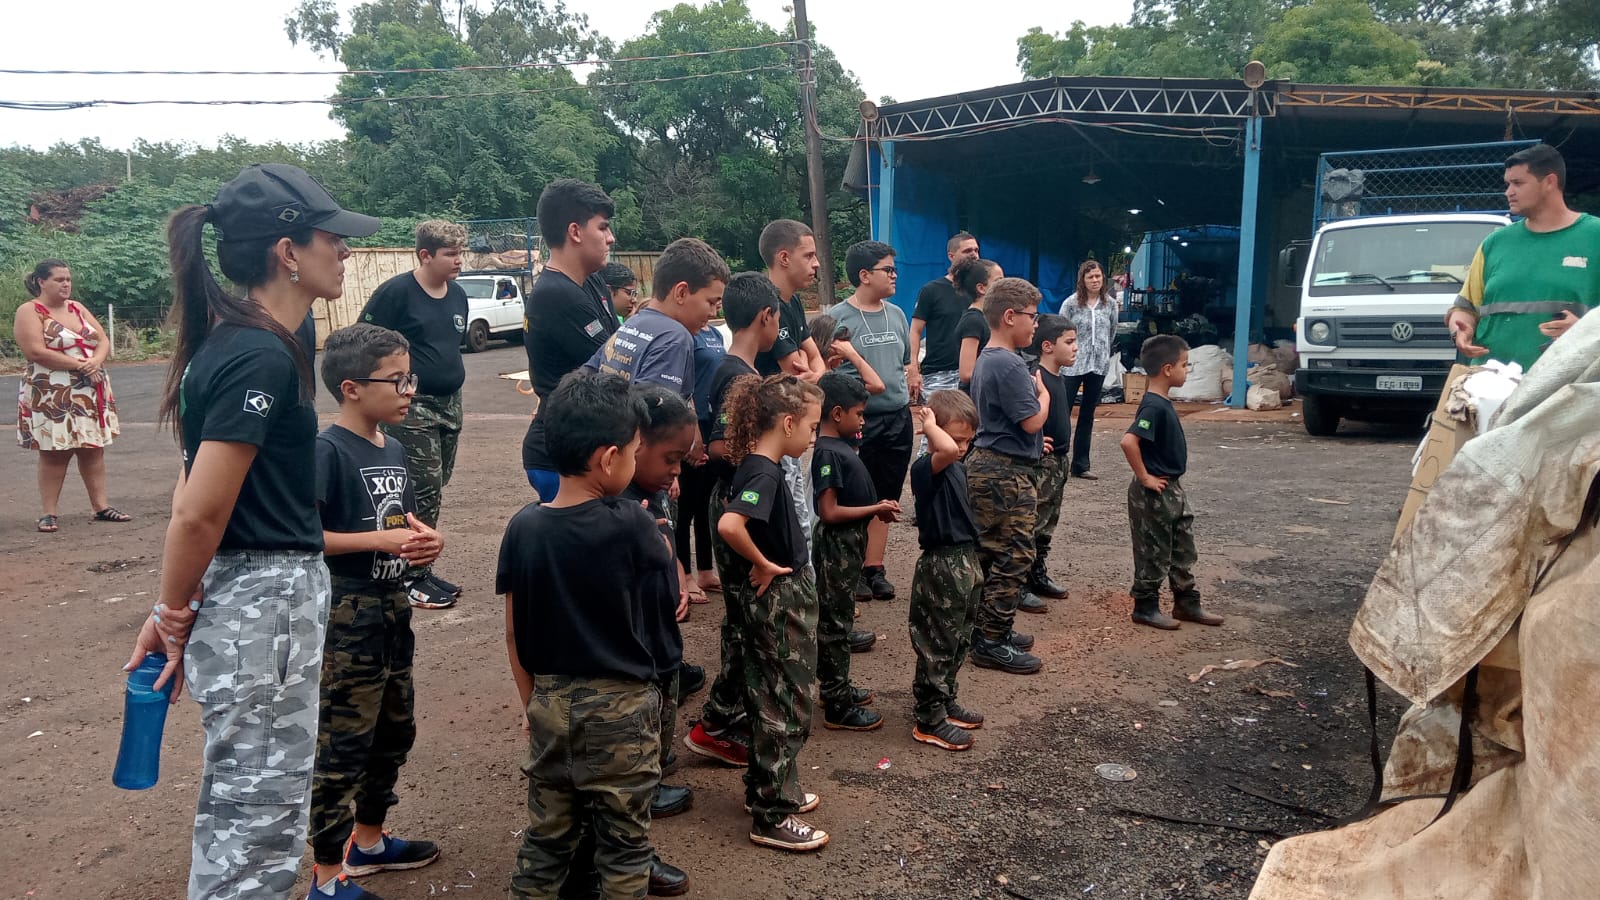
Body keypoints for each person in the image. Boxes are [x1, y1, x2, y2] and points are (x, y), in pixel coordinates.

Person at [122, 163, 379, 900]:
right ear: (286, 251)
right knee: (258, 817)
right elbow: (197, 509)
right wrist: (170, 612)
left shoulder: (237, 342)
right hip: (265, 601)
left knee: (246, 802)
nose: (346, 251)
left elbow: (199, 491)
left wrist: (167, 607)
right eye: (333, 237)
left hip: (253, 598)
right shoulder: (260, 352)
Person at [499, 372, 666, 898]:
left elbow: (512, 631)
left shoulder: (522, 526)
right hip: (621, 711)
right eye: (637, 453)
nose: (638, 464)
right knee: (623, 847)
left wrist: (533, 705)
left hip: (549, 701)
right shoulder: (632, 525)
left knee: (546, 842)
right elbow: (660, 605)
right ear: (610, 457)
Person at [309, 324, 444, 899]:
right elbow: (305, 536)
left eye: (409, 377)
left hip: (392, 608)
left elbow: (399, 526)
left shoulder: (392, 448)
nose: (409, 390)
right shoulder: (326, 450)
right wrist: (376, 543)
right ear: (352, 388)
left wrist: (422, 544)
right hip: (347, 613)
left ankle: (368, 843)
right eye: (397, 380)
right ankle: (327, 877)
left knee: (393, 732)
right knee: (343, 744)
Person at [717, 373, 828, 852]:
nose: (814, 436)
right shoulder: (764, 471)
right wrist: (762, 564)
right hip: (781, 602)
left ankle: (772, 791)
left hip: (780, 595)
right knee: (788, 703)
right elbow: (729, 525)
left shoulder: (761, 463)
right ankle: (772, 815)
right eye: (812, 427)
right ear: (787, 423)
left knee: (772, 695)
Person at [682, 274, 782, 769]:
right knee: (747, 618)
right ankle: (718, 722)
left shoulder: (737, 368)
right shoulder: (739, 375)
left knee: (744, 616)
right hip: (738, 500)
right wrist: (766, 451)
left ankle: (729, 713)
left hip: (738, 497)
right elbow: (720, 444)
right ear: (766, 316)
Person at [358, 221, 469, 609]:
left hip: (449, 402)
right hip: (412, 406)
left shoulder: (457, 295)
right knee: (421, 486)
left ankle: (419, 567)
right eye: (450, 254)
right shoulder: (396, 293)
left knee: (437, 486)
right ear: (425, 255)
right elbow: (362, 340)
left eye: (461, 252)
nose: (459, 260)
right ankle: (410, 575)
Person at [618, 386, 699, 897]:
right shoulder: (618, 506)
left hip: (665, 641)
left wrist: (679, 576)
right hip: (635, 656)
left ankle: (651, 783)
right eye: (670, 459)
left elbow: (665, 541)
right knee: (631, 755)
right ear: (633, 444)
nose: (677, 471)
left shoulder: (654, 493)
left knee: (660, 729)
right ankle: (631, 850)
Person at [1449, 143, 1600, 369]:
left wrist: (1585, 332)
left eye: (1518, 183)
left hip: (1563, 387)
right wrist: (1460, 329)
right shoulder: (1494, 243)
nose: (1508, 192)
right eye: (1507, 184)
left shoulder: (1594, 236)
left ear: (1550, 182)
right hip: (1487, 386)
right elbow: (1464, 308)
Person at [966, 277, 1050, 676]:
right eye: (1031, 317)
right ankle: (992, 639)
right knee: (1014, 554)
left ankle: (984, 628)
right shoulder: (1009, 362)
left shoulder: (989, 357)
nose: (1036, 325)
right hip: (1006, 473)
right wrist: (1045, 395)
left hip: (992, 464)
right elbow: (1032, 421)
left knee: (989, 551)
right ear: (1009, 316)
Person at [522, 179, 620, 502]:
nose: (611, 238)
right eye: (603, 228)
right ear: (575, 232)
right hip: (559, 457)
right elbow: (616, 368)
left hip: (583, 447)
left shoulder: (592, 282)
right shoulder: (555, 295)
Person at [1119, 335, 1225, 631]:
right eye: (1184, 364)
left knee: (1181, 546)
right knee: (1153, 550)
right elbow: (1129, 442)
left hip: (1172, 488)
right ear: (1167, 369)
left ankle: (1186, 602)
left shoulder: (1162, 403)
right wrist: (1144, 477)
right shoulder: (1153, 406)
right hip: (1154, 490)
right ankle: (1145, 606)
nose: (1187, 370)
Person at [15, 259, 128, 532]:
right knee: (55, 451)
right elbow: (35, 351)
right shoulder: (30, 311)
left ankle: (100, 506)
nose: (66, 284)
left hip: (88, 388)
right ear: (42, 282)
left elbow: (102, 340)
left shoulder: (77, 308)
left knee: (92, 448)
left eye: (68, 279)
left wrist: (95, 362)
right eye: (59, 279)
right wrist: (80, 365)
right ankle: (48, 513)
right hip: (52, 390)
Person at [811, 371, 897, 732]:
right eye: (858, 414)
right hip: (838, 544)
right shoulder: (828, 452)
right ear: (836, 414)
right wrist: (874, 509)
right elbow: (828, 511)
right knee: (835, 621)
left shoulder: (842, 446)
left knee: (841, 615)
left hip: (850, 541)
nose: (862, 420)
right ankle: (836, 702)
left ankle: (837, 686)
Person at [829, 241, 914, 601]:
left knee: (886, 495)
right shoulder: (836, 318)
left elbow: (905, 363)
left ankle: (873, 568)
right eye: (888, 270)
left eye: (895, 269)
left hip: (897, 418)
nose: (895, 275)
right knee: (852, 494)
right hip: (857, 422)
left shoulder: (896, 314)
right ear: (864, 275)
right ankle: (849, 567)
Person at [907, 391, 991, 751]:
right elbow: (945, 450)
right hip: (941, 563)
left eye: (968, 440)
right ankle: (929, 717)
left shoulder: (954, 464)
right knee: (937, 642)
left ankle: (945, 699)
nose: (963, 447)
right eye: (957, 439)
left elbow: (952, 453)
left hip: (965, 559)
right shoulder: (927, 466)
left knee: (959, 638)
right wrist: (927, 425)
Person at [1019, 315, 1079, 614]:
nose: (1075, 348)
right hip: (1042, 462)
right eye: (1069, 342)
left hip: (1059, 461)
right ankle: (1019, 583)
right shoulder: (1035, 377)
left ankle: (1037, 573)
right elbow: (1027, 417)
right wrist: (1035, 443)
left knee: (1047, 523)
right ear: (1047, 346)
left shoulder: (1060, 378)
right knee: (1030, 522)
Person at [1057, 259, 1120, 480]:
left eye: (1098, 276)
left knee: (1087, 415)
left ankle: (1081, 465)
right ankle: (1056, 459)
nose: (1094, 280)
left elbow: (1112, 331)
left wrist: (1102, 352)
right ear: (1082, 280)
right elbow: (1060, 332)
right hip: (1073, 364)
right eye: (1090, 277)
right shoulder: (1071, 304)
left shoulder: (1110, 304)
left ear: (1103, 279)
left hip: (1098, 364)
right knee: (1061, 412)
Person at [681, 315, 728, 602]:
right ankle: (685, 573)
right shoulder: (688, 336)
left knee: (705, 502)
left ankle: (706, 571)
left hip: (712, 422)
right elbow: (686, 386)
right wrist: (694, 435)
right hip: (693, 424)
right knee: (685, 503)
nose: (715, 304)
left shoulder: (715, 334)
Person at [908, 231, 981, 401]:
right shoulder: (932, 290)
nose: (974, 255)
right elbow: (916, 330)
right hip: (939, 374)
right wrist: (913, 367)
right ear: (951, 255)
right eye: (967, 251)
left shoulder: (980, 292)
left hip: (974, 373)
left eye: (976, 250)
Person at [953, 258, 1003, 392]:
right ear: (981, 288)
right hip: (975, 399)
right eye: (998, 282)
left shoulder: (988, 318)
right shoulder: (973, 321)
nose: (1004, 286)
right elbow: (966, 373)